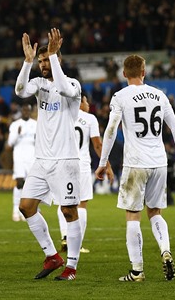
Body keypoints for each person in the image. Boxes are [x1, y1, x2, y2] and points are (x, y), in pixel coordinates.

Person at [95, 54, 175, 282]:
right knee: (155, 212)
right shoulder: (159, 95)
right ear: (144, 72)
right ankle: (165, 249)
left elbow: (110, 130)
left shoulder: (120, 96)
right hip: (158, 162)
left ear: (124, 74)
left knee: (133, 215)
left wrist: (102, 162)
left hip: (136, 163)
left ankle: (137, 271)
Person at [15, 28, 83, 281]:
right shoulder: (39, 85)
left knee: (68, 211)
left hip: (65, 160)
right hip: (42, 161)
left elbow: (64, 89)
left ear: (57, 59)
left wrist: (53, 55)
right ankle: (52, 256)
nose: (43, 64)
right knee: (26, 206)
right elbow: (20, 91)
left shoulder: (73, 84)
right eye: (41, 60)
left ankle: (72, 267)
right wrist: (27, 62)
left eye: (47, 60)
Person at [58, 94, 113, 252]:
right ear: (80, 102)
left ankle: (65, 236)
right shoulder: (90, 119)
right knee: (81, 204)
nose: (88, 104)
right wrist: (107, 166)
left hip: (63, 163)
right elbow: (97, 145)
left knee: (64, 201)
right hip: (81, 165)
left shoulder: (62, 116)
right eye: (86, 101)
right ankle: (77, 244)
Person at [7, 103, 37, 221]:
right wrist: (17, 134)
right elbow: (10, 143)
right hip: (19, 157)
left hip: (31, 158)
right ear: (21, 111)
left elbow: (39, 142)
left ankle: (28, 210)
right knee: (19, 184)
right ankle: (15, 210)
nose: (26, 112)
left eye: (27, 110)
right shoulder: (15, 125)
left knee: (30, 185)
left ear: (29, 111)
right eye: (24, 110)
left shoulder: (35, 125)